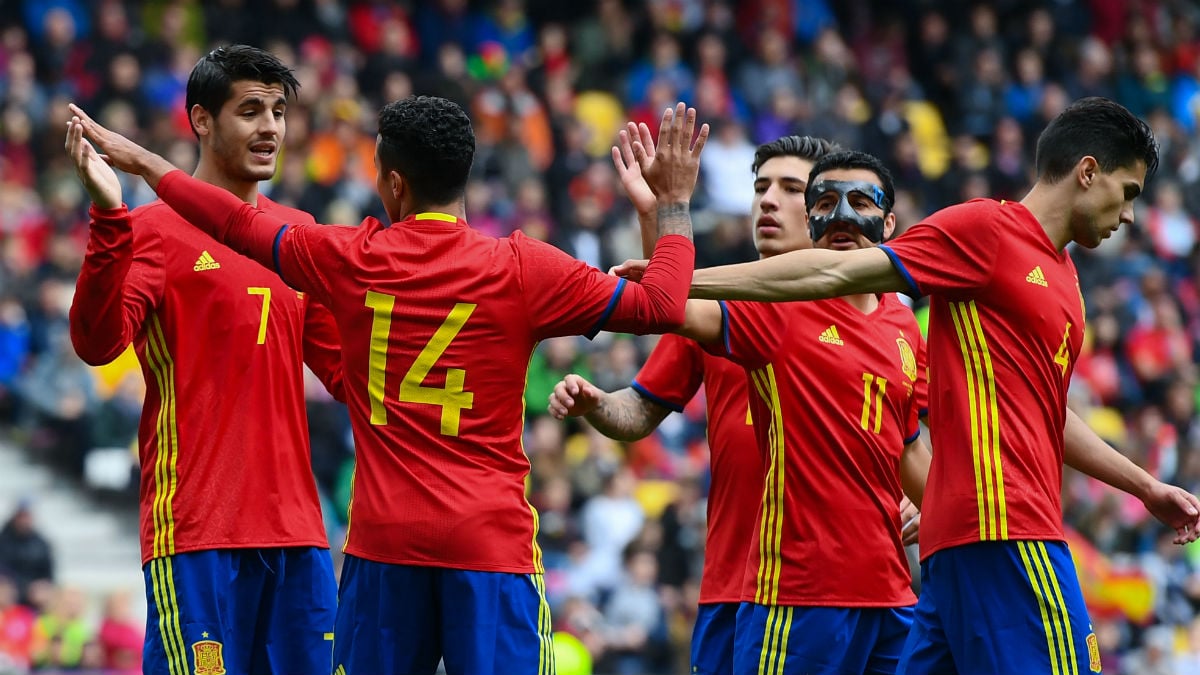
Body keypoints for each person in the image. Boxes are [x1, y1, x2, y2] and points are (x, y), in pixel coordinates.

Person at [66, 94, 708, 675]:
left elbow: (235, 225)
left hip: (381, 551)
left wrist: (149, 166)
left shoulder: (346, 258)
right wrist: (672, 206)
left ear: (392, 184)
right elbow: (661, 305)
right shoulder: (524, 268)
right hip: (489, 545)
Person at [660, 96, 1200, 673]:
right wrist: (680, 280)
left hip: (956, 547)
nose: (1130, 216)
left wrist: (1144, 487)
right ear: (1088, 172)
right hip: (1010, 534)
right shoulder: (985, 231)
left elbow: (1049, 411)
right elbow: (834, 269)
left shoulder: (1065, 277)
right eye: (1129, 192)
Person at [549, 133, 880, 675]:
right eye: (760, 187)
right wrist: (597, 404)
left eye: (791, 188)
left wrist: (919, 494)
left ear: (826, 206)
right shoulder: (723, 309)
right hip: (739, 585)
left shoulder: (888, 318)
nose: (767, 200)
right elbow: (640, 404)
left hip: (856, 591)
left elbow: (910, 435)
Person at [66, 46, 344, 675]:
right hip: (196, 531)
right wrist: (111, 217)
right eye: (250, 111)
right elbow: (95, 343)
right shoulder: (153, 231)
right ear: (201, 120)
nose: (271, 127)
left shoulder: (295, 234)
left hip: (299, 535)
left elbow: (349, 376)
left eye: (278, 111)